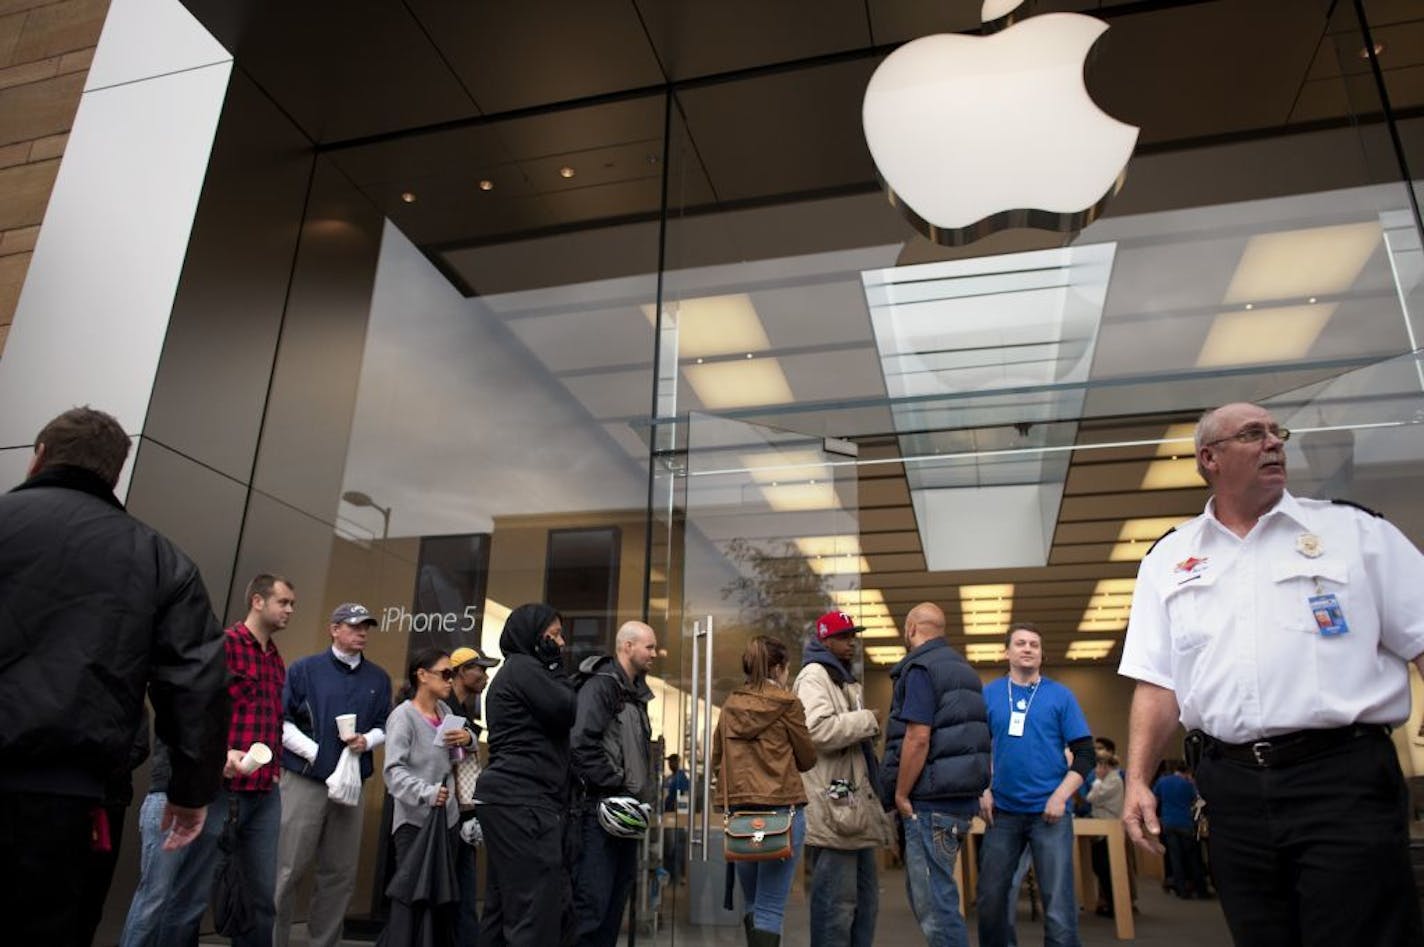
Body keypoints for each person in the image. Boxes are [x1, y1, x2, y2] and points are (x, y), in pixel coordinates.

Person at [1120, 402, 1424, 947]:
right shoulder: (1169, 559)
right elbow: (1157, 682)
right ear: (1208, 459)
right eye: (1252, 434)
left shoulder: (1355, 532)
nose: (1274, 444)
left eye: (1276, 433)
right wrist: (1137, 780)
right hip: (1231, 788)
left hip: (1342, 777)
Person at [0, 406, 229, 947]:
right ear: (115, 473)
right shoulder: (157, 558)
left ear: (39, 457)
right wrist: (191, 791)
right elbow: (197, 683)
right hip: (65, 803)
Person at [122, 574, 294, 947]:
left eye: (293, 604)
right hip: (220, 789)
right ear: (258, 602)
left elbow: (273, 719)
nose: (290, 610)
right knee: (173, 896)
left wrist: (275, 765)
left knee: (258, 895)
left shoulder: (277, 660)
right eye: (284, 602)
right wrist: (219, 757)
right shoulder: (224, 646)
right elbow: (198, 710)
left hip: (263, 790)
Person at [274, 603, 393, 947]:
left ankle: (323, 942)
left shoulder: (378, 678)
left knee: (340, 874)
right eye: (355, 626)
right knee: (286, 869)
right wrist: (319, 753)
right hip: (304, 780)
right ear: (334, 629)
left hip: (352, 782)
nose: (362, 633)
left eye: (365, 627)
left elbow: (386, 724)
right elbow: (282, 722)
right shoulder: (304, 670)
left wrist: (366, 740)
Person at [880, 601, 991, 947]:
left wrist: (899, 794)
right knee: (938, 897)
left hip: (929, 804)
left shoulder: (921, 669)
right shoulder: (965, 670)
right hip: (958, 803)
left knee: (935, 908)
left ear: (911, 629)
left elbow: (918, 737)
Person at [976, 622, 1094, 947]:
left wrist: (1060, 796)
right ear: (1006, 652)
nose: (1028, 648)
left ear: (1041, 655)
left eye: (1034, 645)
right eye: (1020, 643)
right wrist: (982, 788)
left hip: (1049, 814)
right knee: (991, 901)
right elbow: (977, 748)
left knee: (1057, 906)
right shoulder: (989, 695)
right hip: (1002, 815)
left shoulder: (1060, 696)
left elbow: (1085, 755)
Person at [475, 603, 578, 947]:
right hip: (524, 802)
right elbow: (566, 708)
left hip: (511, 801)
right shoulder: (524, 668)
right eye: (555, 634)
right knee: (535, 911)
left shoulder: (517, 671)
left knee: (503, 908)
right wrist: (555, 667)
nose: (561, 643)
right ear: (535, 636)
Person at [712, 635, 817, 947]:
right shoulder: (788, 704)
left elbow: (718, 759)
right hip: (782, 814)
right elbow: (808, 758)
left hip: (742, 817)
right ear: (778, 668)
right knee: (771, 908)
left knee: (754, 903)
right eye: (787, 667)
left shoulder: (730, 705)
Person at [792, 610, 887, 947]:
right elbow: (815, 730)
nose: (852, 642)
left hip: (851, 806)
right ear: (824, 640)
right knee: (836, 907)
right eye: (844, 636)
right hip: (834, 809)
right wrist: (867, 720)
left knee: (865, 904)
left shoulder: (842, 678)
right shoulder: (814, 676)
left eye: (853, 636)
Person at [570, 621, 659, 947]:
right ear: (627, 646)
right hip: (599, 814)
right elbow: (580, 744)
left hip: (626, 816)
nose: (654, 653)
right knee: (591, 908)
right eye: (648, 647)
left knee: (612, 909)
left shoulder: (634, 694)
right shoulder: (601, 687)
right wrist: (614, 785)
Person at [381, 649, 470, 947]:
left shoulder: (446, 714)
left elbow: (459, 759)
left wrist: (466, 740)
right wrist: (428, 793)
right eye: (445, 673)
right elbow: (393, 772)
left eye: (453, 674)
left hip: (448, 821)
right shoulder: (403, 717)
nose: (451, 680)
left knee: (440, 901)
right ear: (422, 675)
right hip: (414, 822)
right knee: (412, 899)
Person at [447, 645, 499, 947]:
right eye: (479, 668)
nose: (485, 675)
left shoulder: (467, 710)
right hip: (445, 808)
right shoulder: (447, 710)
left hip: (463, 809)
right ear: (460, 671)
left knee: (463, 885)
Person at [1152, 762, 1206, 899]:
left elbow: (1154, 798)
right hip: (1186, 823)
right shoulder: (1187, 784)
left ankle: (1181, 890)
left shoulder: (1162, 782)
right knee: (1193, 858)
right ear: (1186, 772)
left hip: (1168, 823)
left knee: (1175, 858)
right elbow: (1197, 801)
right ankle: (1200, 890)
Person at [1085, 751, 1124, 916]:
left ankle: (1114, 906)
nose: (1095, 770)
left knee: (1106, 869)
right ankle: (1107, 902)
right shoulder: (1108, 780)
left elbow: (1091, 798)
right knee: (1100, 867)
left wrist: (1098, 781)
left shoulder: (1113, 780)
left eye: (1098, 766)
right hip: (1103, 827)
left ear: (1104, 766)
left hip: (1110, 828)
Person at [662, 754, 690, 885]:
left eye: (672, 761)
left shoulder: (681, 778)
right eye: (669, 761)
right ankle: (672, 876)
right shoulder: (669, 778)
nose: (670, 764)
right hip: (668, 817)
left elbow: (683, 798)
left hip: (677, 817)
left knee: (677, 848)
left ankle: (679, 876)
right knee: (669, 848)